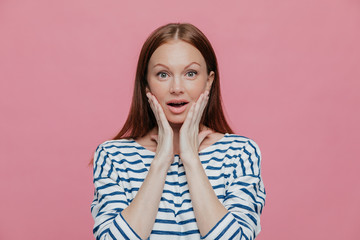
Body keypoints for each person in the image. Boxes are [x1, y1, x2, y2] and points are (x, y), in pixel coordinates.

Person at [90, 22, 266, 240]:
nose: (176, 88)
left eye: (190, 73)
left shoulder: (240, 153)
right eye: (163, 75)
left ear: (209, 82)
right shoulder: (113, 156)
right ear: (146, 84)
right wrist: (161, 160)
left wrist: (191, 159)